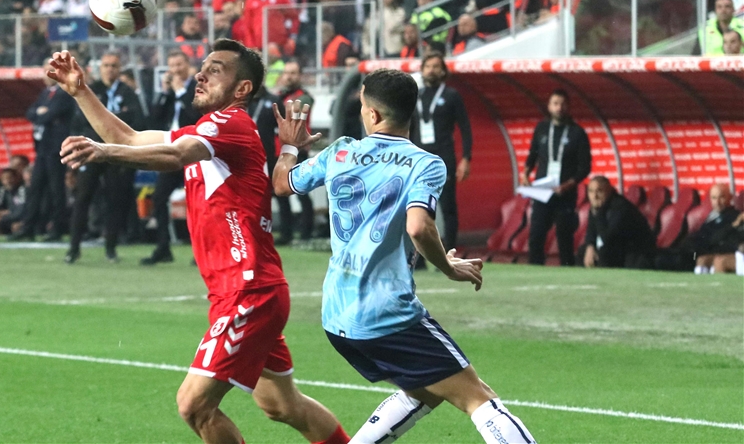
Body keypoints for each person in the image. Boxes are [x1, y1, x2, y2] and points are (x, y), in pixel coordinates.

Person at [51, 40, 351, 444]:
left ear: (242, 88)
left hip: (248, 291)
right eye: (203, 67)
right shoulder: (208, 130)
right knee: (283, 405)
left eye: (215, 69)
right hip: (245, 290)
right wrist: (80, 91)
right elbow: (130, 136)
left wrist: (104, 153)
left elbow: (174, 157)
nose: (200, 74)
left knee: (194, 405)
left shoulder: (229, 123)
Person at [271, 69, 536, 444]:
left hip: (337, 315)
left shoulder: (340, 151)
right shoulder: (426, 164)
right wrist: (448, 267)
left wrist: (288, 147)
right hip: (387, 314)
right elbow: (419, 227)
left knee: (423, 390)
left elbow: (281, 183)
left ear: (373, 114)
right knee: (478, 397)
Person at [66, 51, 145, 264]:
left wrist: (104, 122)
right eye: (106, 65)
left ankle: (111, 247)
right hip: (91, 152)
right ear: (100, 69)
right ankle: (73, 248)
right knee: (82, 198)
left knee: (115, 200)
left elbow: (137, 120)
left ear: (119, 69)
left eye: (114, 66)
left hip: (117, 154)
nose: (110, 69)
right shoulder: (91, 91)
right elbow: (80, 121)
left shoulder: (128, 93)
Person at [141, 51, 200, 266]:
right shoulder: (170, 92)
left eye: (179, 64)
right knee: (159, 197)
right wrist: (166, 93)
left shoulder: (197, 88)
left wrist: (181, 91)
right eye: (172, 65)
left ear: (188, 65)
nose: (175, 69)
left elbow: (197, 116)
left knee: (198, 202)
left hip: (193, 151)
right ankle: (163, 247)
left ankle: (201, 250)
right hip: (172, 152)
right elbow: (154, 119)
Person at [520, 89, 591, 266]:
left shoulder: (577, 133)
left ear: (568, 107)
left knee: (564, 237)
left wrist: (568, 185)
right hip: (542, 191)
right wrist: (525, 173)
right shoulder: (541, 129)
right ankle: (535, 270)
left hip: (565, 193)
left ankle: (567, 271)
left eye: (563, 104)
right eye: (555, 103)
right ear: (549, 106)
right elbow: (532, 155)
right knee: (536, 234)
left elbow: (585, 167)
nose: (559, 108)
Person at [410, 52, 473, 253]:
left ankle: (449, 254)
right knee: (418, 207)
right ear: (422, 70)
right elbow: (408, 128)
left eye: (436, 66)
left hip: (443, 159)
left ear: (443, 71)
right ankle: (419, 257)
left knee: (447, 207)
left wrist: (466, 158)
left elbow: (465, 128)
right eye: (428, 66)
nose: (431, 70)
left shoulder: (451, 95)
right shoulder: (416, 96)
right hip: (419, 160)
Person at [9, 58, 76, 242]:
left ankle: (57, 229)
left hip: (56, 148)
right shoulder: (45, 93)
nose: (46, 74)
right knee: (35, 188)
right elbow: (31, 113)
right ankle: (28, 227)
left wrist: (42, 113)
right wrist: (41, 113)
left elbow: (48, 115)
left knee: (56, 189)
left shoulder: (64, 93)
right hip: (43, 148)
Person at [277, 59, 315, 243]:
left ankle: (306, 231)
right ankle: (287, 232)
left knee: (301, 191)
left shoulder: (304, 97)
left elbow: (294, 109)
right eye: (286, 73)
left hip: (299, 149)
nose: (288, 76)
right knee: (280, 192)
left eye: (292, 73)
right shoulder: (281, 96)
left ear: (300, 76)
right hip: (282, 149)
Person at [579, 176, 655, 269]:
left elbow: (608, 237)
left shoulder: (620, 207)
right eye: (591, 191)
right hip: (617, 246)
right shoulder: (596, 207)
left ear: (609, 191)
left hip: (636, 249)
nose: (594, 196)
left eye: (599, 191)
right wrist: (590, 246)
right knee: (583, 251)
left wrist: (599, 214)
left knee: (604, 252)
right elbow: (591, 231)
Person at [689, 184, 741, 274]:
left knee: (718, 261)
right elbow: (702, 237)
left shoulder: (735, 217)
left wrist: (733, 225)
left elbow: (723, 240)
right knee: (700, 259)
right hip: (706, 251)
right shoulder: (711, 217)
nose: (717, 202)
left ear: (730, 198)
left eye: (721, 197)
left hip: (726, 253)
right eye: (714, 198)